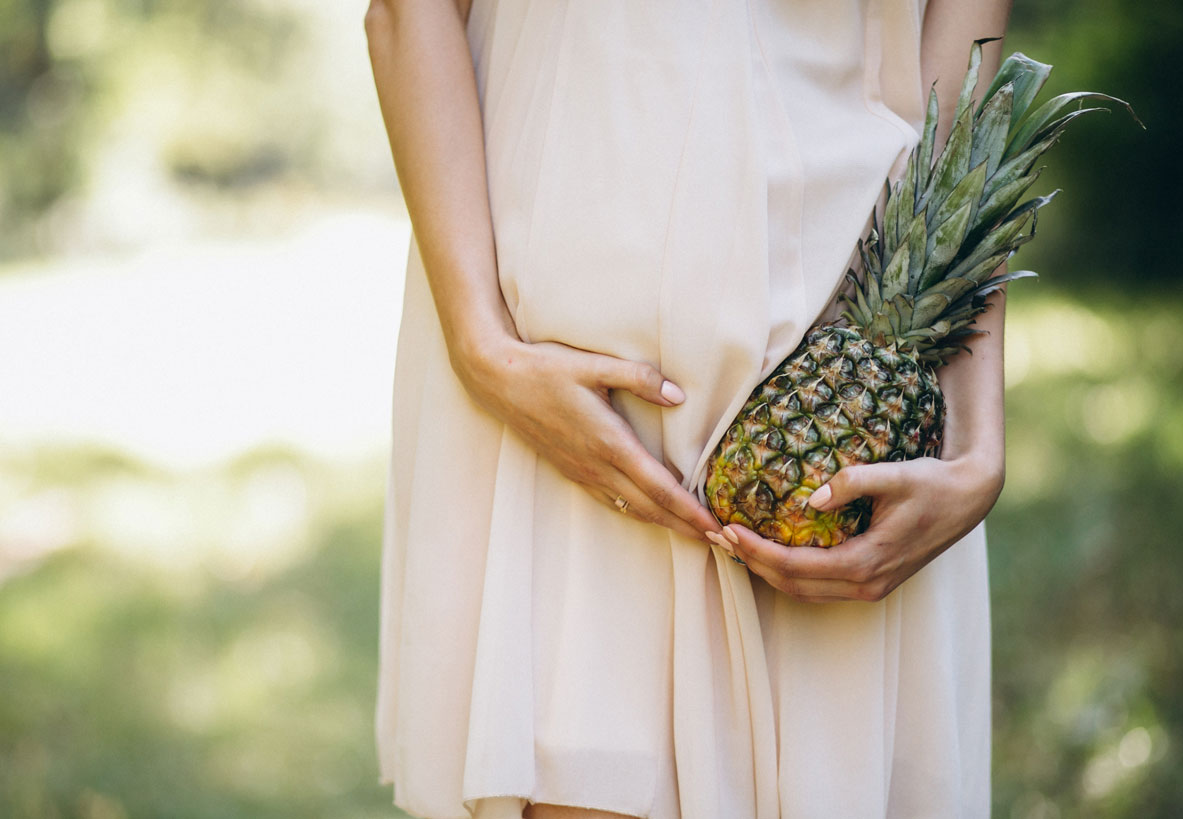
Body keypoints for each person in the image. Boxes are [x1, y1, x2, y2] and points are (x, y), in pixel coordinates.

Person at [366, 0, 1011, 815]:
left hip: (853, 429)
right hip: (558, 417)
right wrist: (481, 344)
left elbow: (963, 138)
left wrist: (978, 449)